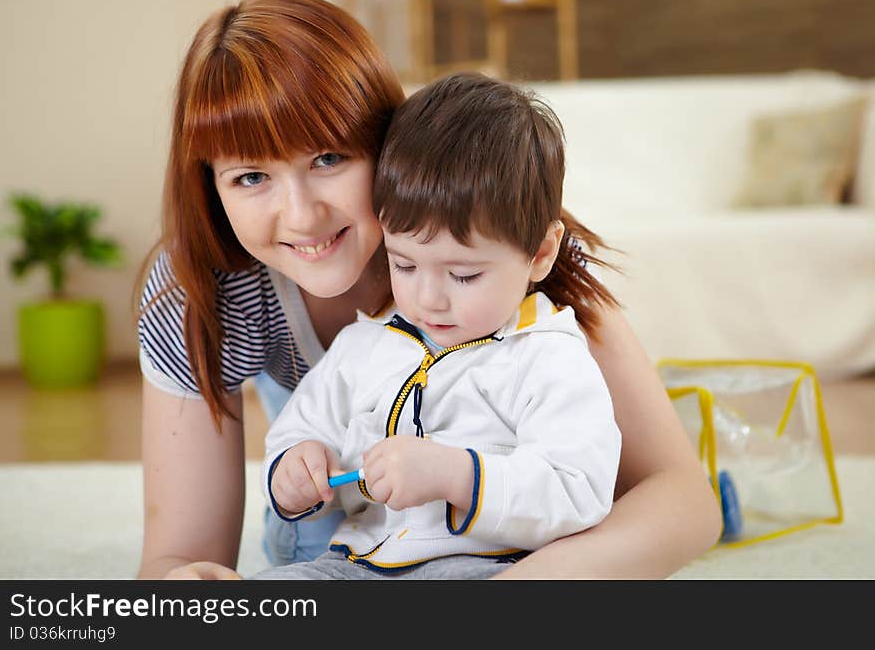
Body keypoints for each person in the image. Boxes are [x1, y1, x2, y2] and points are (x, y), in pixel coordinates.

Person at [136, 0, 721, 581]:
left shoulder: (499, 245)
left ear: (385, 145)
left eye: (329, 158)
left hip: (505, 500)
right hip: (353, 504)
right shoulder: (202, 290)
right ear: (210, 184)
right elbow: (180, 558)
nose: (301, 216)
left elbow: (682, 503)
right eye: (251, 176)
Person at [253, 72, 622, 579]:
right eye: (403, 265)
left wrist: (459, 476)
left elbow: (578, 488)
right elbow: (301, 427)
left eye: (464, 275)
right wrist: (294, 470)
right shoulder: (364, 346)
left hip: (483, 568)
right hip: (358, 564)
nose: (427, 298)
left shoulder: (547, 358)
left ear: (539, 253)